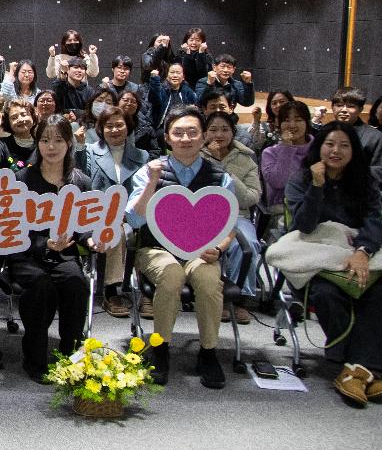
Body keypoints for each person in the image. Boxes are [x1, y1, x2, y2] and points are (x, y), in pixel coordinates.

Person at [280, 121, 382, 405]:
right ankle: (359, 369)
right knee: (327, 294)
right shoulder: (302, 179)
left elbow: (373, 221)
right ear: (320, 148)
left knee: (381, 294)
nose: (336, 150)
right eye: (330, 144)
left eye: (344, 145)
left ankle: (356, 370)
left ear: (353, 151)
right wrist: (317, 187)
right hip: (315, 256)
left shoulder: (364, 181)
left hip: (354, 252)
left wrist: (362, 251)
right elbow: (303, 226)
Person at [125, 106, 236, 389]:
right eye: (178, 133)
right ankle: (160, 348)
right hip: (156, 250)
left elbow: (229, 225)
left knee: (210, 281)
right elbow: (135, 219)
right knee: (172, 274)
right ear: (167, 138)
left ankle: (208, 352)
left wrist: (219, 249)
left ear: (203, 138)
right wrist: (152, 182)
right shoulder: (150, 172)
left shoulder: (220, 177)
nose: (185, 138)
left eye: (192, 132)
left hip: (203, 251)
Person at [8, 114, 97, 381]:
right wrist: (44, 242)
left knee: (75, 282)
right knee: (40, 285)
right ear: (37, 144)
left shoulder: (80, 181)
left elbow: (85, 224)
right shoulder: (22, 179)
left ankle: (69, 354)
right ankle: (34, 357)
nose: (51, 146)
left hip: (63, 254)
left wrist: (90, 239)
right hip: (25, 254)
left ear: (69, 143)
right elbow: (12, 227)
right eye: (45, 140)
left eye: (58, 140)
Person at [76, 106, 149, 318]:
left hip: (132, 214)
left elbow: (143, 190)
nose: (115, 130)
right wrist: (79, 148)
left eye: (119, 125)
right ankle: (112, 290)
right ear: (101, 129)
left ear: (128, 127)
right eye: (109, 126)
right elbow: (82, 180)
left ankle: (147, 290)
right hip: (98, 213)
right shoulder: (89, 150)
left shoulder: (142, 156)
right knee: (114, 227)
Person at [203, 110, 261, 321]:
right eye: (213, 130)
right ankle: (211, 294)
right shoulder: (196, 155)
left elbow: (251, 198)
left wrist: (224, 171)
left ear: (233, 132)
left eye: (225, 130)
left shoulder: (246, 159)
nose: (219, 134)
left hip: (238, 214)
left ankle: (239, 299)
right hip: (205, 214)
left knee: (246, 244)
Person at [260, 100, 313, 239]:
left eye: (298, 119)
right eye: (286, 120)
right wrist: (287, 148)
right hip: (281, 212)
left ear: (307, 122)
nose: (292, 125)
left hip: (317, 209)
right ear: (279, 124)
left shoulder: (319, 150)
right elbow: (279, 182)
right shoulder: (270, 153)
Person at [328, 87, 382, 183]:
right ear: (332, 107)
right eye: (339, 105)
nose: (343, 110)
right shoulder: (325, 132)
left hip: (360, 191)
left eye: (350, 106)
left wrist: (351, 174)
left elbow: (381, 170)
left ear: (360, 109)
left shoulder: (375, 137)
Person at [0, 99, 37, 171]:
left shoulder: (42, 143)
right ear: (8, 123)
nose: (20, 119)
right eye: (14, 118)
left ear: (33, 118)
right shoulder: (3, 145)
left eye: (24, 115)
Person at [145, 62, 198, 133]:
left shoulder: (188, 92)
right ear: (167, 76)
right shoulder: (162, 90)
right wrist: (154, 79)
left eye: (178, 73)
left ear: (183, 77)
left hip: (184, 127)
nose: (175, 75)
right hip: (163, 129)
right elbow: (154, 98)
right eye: (172, 72)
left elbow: (196, 107)